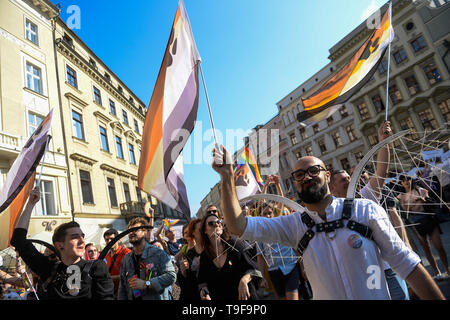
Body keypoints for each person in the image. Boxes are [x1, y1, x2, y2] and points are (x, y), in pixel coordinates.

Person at [212, 145, 445, 300]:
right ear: (294, 184)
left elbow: (410, 267)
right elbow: (237, 225)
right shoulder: (292, 225)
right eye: (299, 175)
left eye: (314, 170)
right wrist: (227, 178)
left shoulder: (364, 210)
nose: (307, 176)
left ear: (326, 175)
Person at [11, 187, 114, 300]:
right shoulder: (48, 269)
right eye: (75, 237)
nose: (82, 240)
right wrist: (30, 204)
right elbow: (18, 240)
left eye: (82, 236)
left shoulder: (96, 267)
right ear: (60, 245)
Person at [197, 212, 262, 300]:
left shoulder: (235, 245)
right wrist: (203, 292)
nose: (216, 224)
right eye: (211, 223)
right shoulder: (205, 256)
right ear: (205, 230)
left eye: (219, 222)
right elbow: (202, 281)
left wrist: (244, 280)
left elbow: (255, 269)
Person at [397, 175, 450, 281]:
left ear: (411, 180)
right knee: (426, 248)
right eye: (403, 180)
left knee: (438, 246)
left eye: (408, 179)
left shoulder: (420, 190)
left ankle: (447, 269)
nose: (406, 181)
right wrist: (410, 205)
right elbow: (404, 212)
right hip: (416, 222)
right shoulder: (401, 196)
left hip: (428, 218)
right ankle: (437, 272)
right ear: (401, 183)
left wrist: (422, 199)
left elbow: (429, 200)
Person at [118, 217, 176, 300]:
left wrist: (147, 283)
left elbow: (171, 276)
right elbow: (122, 287)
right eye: (129, 231)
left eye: (135, 230)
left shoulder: (158, 253)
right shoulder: (126, 259)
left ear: (145, 232)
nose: (131, 233)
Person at [256, 203, 299, 300]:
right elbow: (260, 256)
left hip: (290, 267)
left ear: (274, 213)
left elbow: (295, 246)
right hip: (274, 271)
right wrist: (263, 277)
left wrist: (303, 266)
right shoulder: (259, 234)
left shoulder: (282, 226)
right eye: (265, 213)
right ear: (261, 216)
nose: (268, 215)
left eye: (270, 213)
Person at [177, 218, 203, 301]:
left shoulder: (212, 250)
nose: (188, 234)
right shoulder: (187, 251)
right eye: (186, 232)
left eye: (202, 229)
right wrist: (184, 272)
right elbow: (188, 279)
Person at [103, 228, 131, 298]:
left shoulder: (126, 253)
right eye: (107, 239)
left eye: (112, 239)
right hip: (111, 292)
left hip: (125, 292)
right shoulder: (106, 256)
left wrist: (110, 278)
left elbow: (130, 273)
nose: (109, 241)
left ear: (118, 239)